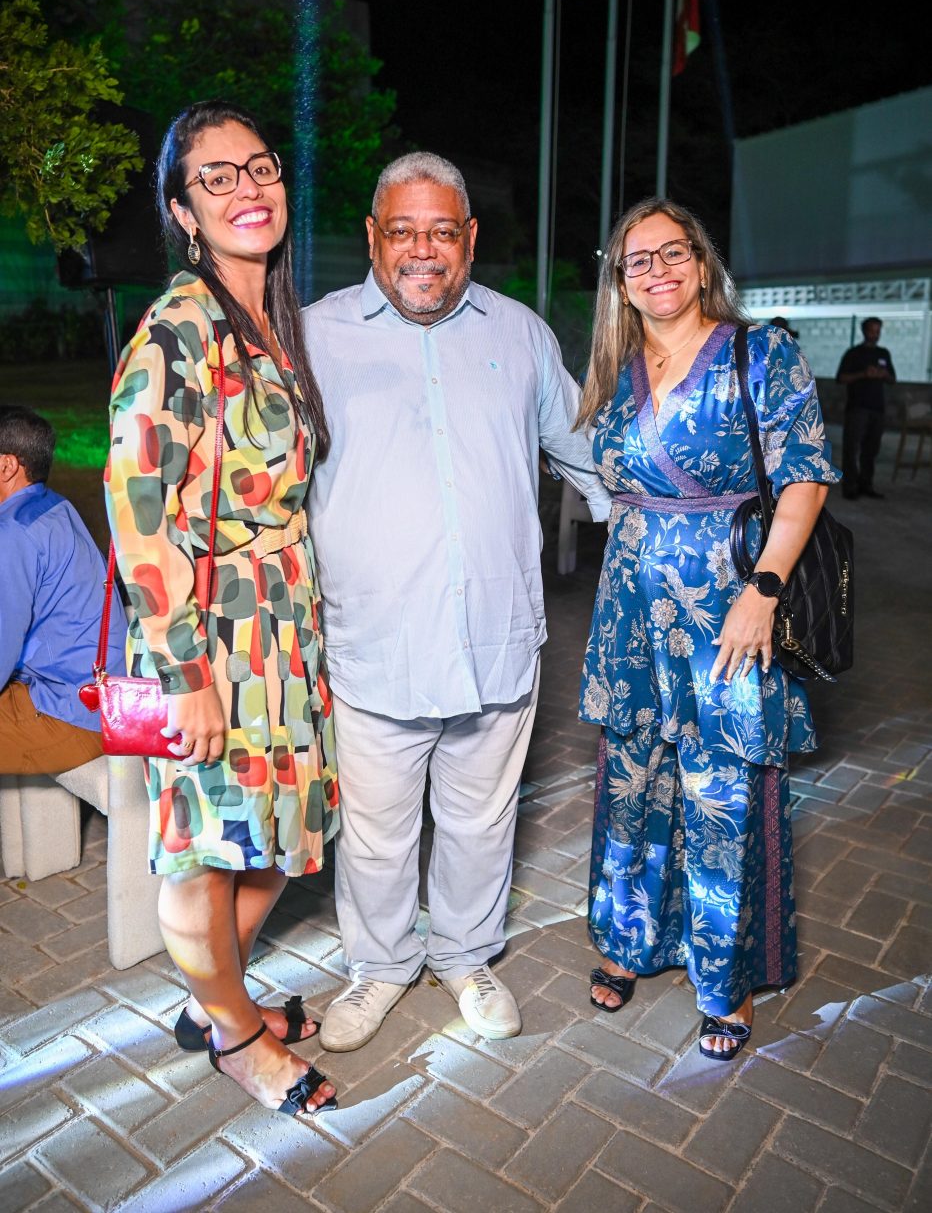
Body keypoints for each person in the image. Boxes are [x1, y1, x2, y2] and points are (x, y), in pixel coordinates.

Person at [302, 151, 611, 1051]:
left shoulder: (517, 334)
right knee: (376, 835)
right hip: (374, 645)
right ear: (373, 236)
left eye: (443, 231)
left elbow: (583, 450)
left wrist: (661, 533)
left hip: (496, 642)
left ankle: (468, 957)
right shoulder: (315, 335)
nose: (423, 251)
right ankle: (380, 968)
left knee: (481, 822)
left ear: (469, 238)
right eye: (403, 231)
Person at [105, 101, 338, 1117]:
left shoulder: (264, 320)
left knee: (276, 835)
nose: (248, 189)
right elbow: (139, 507)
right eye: (216, 177)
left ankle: (216, 996)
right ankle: (235, 1034)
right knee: (205, 847)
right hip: (213, 634)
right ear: (181, 210)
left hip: (280, 628)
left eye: (260, 167)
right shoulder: (178, 326)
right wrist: (187, 672)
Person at [575, 198, 838, 1060]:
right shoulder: (614, 367)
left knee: (720, 789)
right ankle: (629, 940)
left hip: (729, 599)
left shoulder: (757, 351)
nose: (658, 271)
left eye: (672, 252)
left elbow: (804, 478)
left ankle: (724, 978)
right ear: (621, 280)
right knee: (632, 780)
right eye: (637, 260)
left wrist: (766, 586)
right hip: (630, 606)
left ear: (702, 260)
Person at [1, 406, 126, 774]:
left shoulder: (14, 533)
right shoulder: (52, 507)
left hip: (71, 713)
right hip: (91, 697)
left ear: (8, 466)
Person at [836, 317, 895, 499]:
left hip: (877, 408)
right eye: (872, 330)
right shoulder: (853, 353)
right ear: (864, 331)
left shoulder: (883, 353)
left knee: (871, 449)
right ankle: (850, 487)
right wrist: (863, 374)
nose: (875, 335)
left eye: (877, 331)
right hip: (857, 407)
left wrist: (883, 374)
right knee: (852, 448)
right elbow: (841, 378)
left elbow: (893, 379)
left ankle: (866, 484)